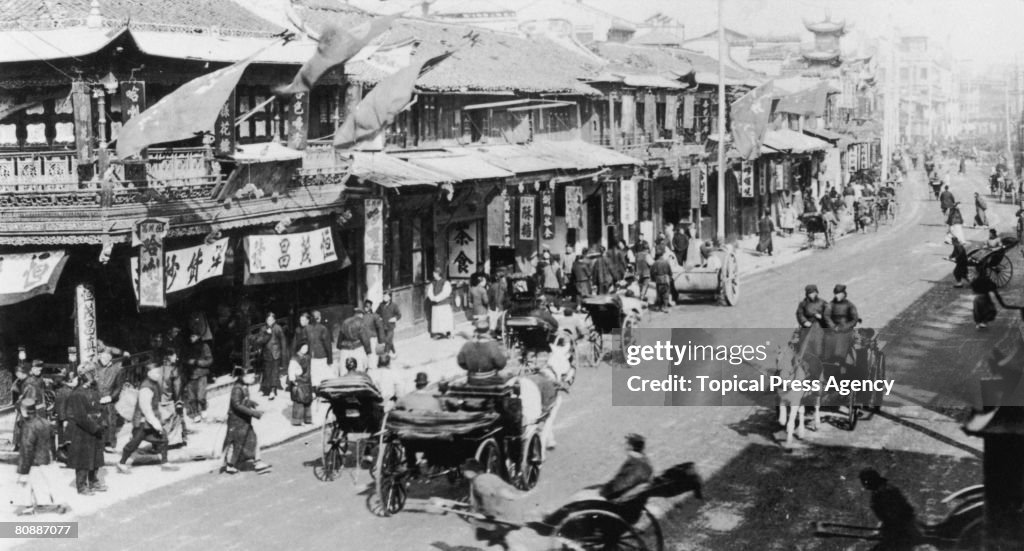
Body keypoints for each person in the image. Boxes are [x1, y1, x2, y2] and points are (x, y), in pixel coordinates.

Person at [117, 363, 178, 474]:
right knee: (134, 444)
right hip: (142, 421)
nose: (158, 374)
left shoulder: (153, 384)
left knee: (163, 438)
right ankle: (121, 463)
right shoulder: (146, 387)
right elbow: (146, 409)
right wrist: (156, 424)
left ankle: (165, 462)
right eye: (156, 372)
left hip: (148, 421)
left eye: (159, 372)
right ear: (149, 373)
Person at [15, 398, 60, 514]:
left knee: (25, 482)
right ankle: (55, 502)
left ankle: (28, 507)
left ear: (24, 411)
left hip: (33, 460)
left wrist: (23, 470)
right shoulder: (45, 422)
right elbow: (51, 439)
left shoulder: (28, 426)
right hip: (45, 457)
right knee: (45, 481)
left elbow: (27, 448)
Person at [223, 367, 271, 474]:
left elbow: (242, 401)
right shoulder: (237, 388)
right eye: (251, 376)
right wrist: (254, 413)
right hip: (237, 421)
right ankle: (230, 464)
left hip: (243, 421)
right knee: (236, 443)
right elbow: (237, 405)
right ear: (243, 377)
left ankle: (257, 462)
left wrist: (251, 402)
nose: (253, 378)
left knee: (251, 439)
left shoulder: (244, 386)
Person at [859, 469, 921, 551]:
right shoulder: (880, 491)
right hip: (898, 534)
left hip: (901, 535)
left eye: (864, 482)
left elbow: (896, 517)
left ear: (870, 480)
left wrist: (886, 533)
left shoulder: (886, 492)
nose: (863, 485)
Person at [65, 373, 105, 495]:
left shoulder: (93, 391)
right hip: (83, 431)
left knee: (96, 457)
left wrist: (100, 423)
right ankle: (81, 486)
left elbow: (100, 408)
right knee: (83, 459)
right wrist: (95, 427)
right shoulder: (77, 394)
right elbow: (80, 417)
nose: (92, 383)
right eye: (89, 381)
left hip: (95, 427)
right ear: (84, 381)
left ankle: (93, 481)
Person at [600, 433, 654, 501]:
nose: (624, 445)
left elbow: (622, 485)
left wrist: (603, 491)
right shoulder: (642, 461)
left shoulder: (637, 464)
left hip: (618, 499)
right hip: (626, 495)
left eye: (627, 443)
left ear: (631, 446)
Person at [457, 320, 509, 385]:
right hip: (491, 380)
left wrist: (472, 370)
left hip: (472, 380)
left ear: (476, 331)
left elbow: (461, 362)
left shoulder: (467, 345)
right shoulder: (493, 345)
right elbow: (501, 364)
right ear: (488, 332)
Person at [254, 312, 287, 399]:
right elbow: (259, 341)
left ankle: (273, 391)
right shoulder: (263, 329)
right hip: (266, 353)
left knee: (274, 372)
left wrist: (283, 353)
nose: (270, 321)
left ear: (274, 320)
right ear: (266, 320)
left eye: (271, 320)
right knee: (266, 372)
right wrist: (266, 334)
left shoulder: (278, 328)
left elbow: (283, 341)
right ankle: (265, 390)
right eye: (268, 320)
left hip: (275, 353)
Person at [824, 284, 860, 363]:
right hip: (832, 329)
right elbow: (827, 316)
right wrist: (833, 326)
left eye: (841, 294)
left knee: (842, 337)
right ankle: (825, 359)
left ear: (844, 294)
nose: (839, 296)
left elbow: (854, 318)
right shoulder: (831, 305)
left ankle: (840, 359)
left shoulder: (850, 305)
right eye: (837, 294)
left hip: (845, 330)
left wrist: (845, 327)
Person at [183, 331, 213, 422]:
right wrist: (187, 362)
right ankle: (195, 413)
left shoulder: (204, 346)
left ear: (198, 336)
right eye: (190, 336)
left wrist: (197, 362)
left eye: (194, 336)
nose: (191, 338)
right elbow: (183, 359)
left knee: (201, 396)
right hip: (190, 374)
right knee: (191, 397)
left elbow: (209, 360)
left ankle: (203, 409)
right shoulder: (187, 348)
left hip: (201, 374)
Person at [307, 310, 334, 386]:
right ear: (319, 318)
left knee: (314, 376)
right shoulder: (323, 328)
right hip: (321, 355)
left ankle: (315, 392)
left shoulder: (307, 328)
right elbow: (327, 345)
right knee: (324, 376)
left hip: (311, 356)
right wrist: (330, 359)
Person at [426, 269, 454, 339]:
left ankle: (448, 333)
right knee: (437, 319)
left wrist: (437, 298)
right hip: (435, 304)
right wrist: (433, 298)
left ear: (438, 274)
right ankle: (438, 333)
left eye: (434, 273)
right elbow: (430, 292)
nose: (433, 275)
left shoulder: (445, 282)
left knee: (445, 319)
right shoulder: (433, 283)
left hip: (444, 303)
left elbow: (446, 292)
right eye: (433, 273)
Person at [362, 300, 386, 370]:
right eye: (365, 306)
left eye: (368, 306)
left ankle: (373, 368)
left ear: (371, 307)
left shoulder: (375, 316)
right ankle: (367, 367)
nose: (366, 308)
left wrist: (381, 341)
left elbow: (380, 328)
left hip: (372, 338)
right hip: (364, 338)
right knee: (365, 353)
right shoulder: (362, 316)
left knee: (372, 354)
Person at [487, 270, 508, 336]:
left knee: (494, 319)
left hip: (494, 305)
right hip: (501, 305)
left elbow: (489, 297)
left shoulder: (493, 286)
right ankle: (500, 331)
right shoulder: (504, 286)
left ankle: (495, 332)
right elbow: (507, 297)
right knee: (500, 319)